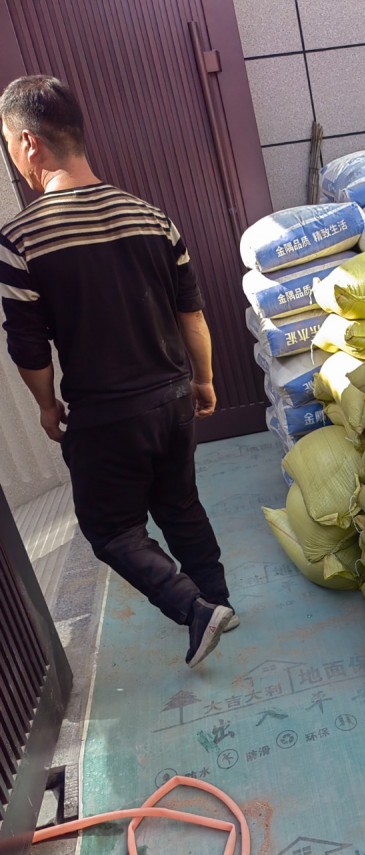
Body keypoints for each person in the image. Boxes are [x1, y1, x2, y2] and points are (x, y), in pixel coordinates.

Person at [0, 74, 236, 668]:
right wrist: (204, 380)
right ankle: (220, 601)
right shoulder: (153, 217)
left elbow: (28, 346)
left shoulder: (22, 238)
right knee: (180, 504)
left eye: (7, 143)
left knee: (110, 530)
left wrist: (47, 406)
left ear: (29, 143)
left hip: (107, 413)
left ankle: (194, 608)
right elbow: (192, 314)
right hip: (173, 398)